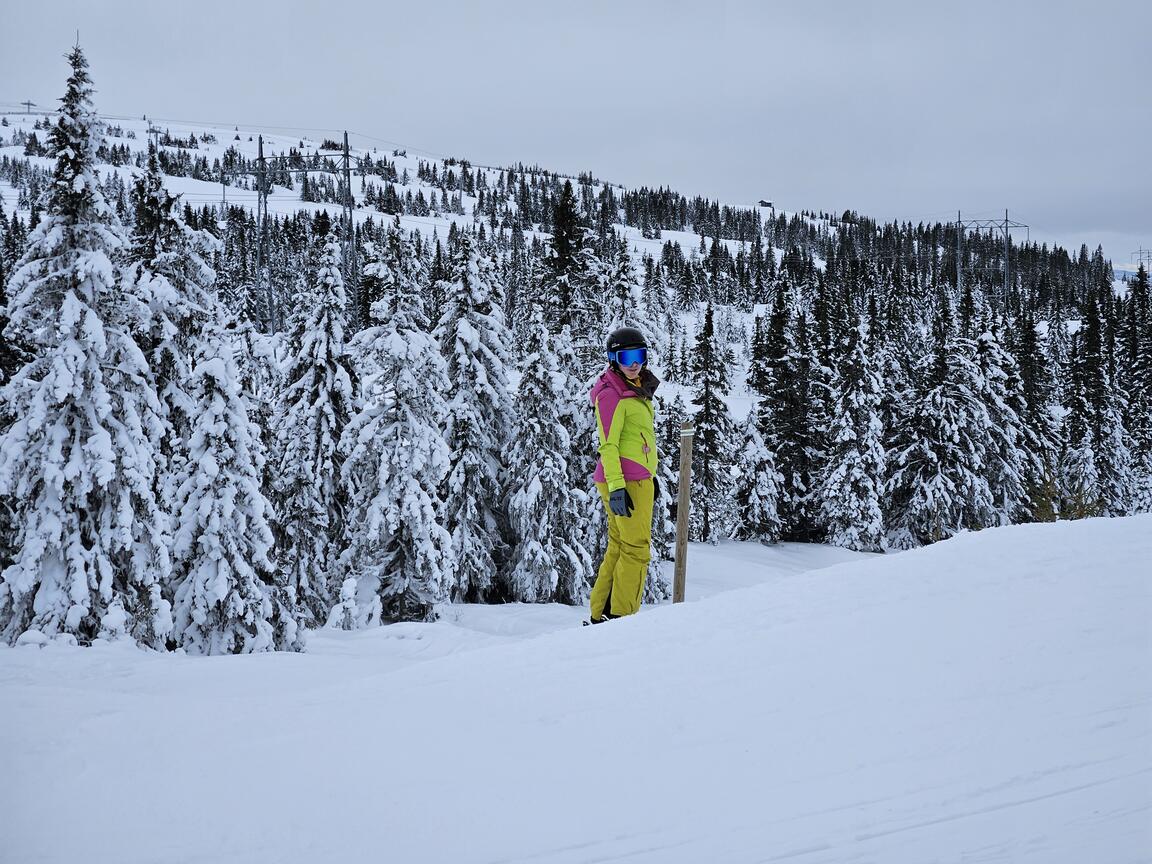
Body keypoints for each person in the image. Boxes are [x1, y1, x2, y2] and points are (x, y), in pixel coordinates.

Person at [587, 326, 659, 624]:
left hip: (637, 479)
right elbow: (609, 444)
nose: (634, 363)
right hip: (625, 482)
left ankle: (601, 614)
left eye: (639, 355)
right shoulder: (612, 395)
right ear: (613, 359)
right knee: (636, 549)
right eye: (627, 357)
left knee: (619, 546)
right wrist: (618, 486)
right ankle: (622, 619)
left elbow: (637, 441)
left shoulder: (634, 389)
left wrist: (651, 475)